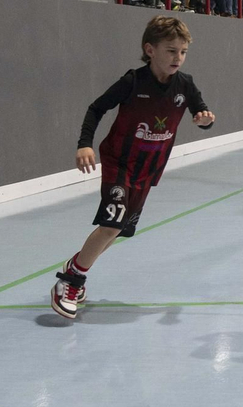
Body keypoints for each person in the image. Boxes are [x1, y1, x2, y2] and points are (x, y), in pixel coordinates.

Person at [49, 16, 215, 319]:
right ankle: (70, 282)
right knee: (112, 223)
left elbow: (200, 111)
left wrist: (206, 119)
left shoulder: (185, 85)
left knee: (118, 230)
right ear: (149, 50)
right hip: (119, 162)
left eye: (183, 52)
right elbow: (96, 108)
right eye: (170, 51)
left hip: (148, 169)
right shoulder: (133, 82)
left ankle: (76, 265)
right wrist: (84, 143)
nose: (178, 57)